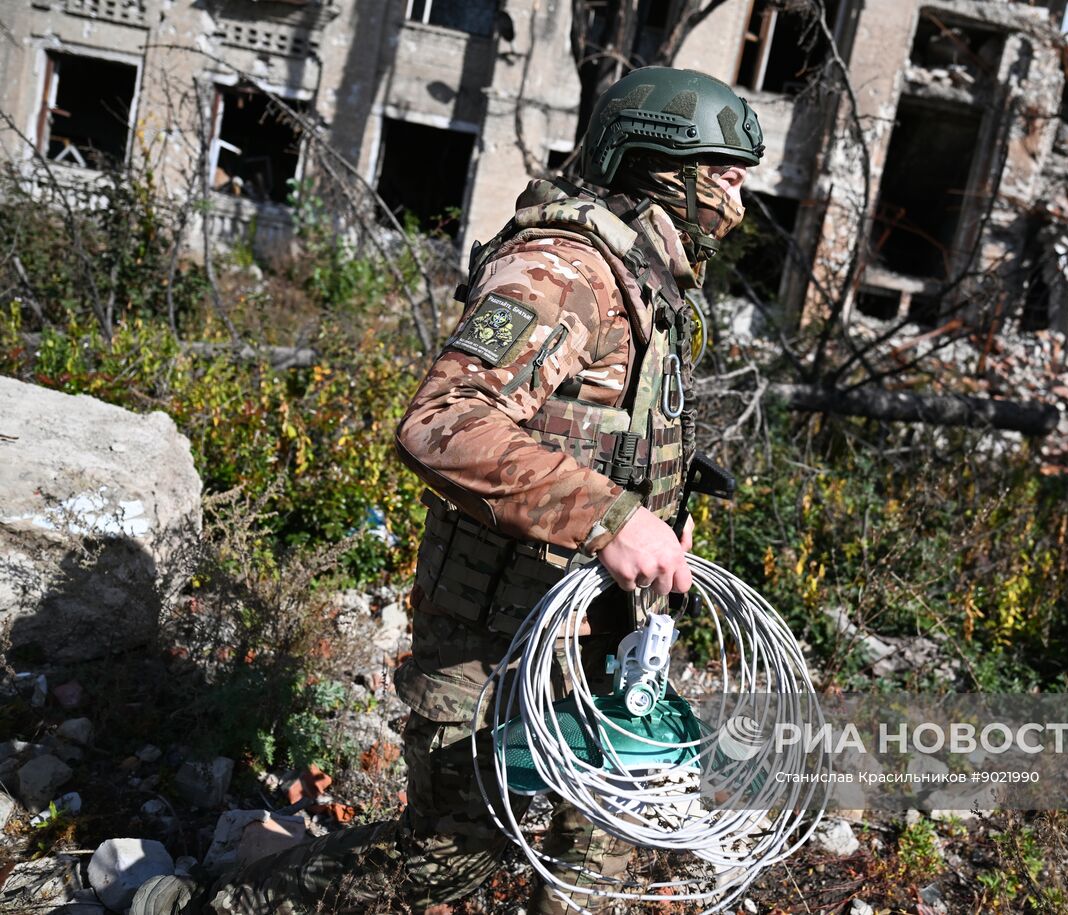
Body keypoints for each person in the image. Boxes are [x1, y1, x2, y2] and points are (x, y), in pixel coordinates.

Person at [134, 66, 763, 915]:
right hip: (493, 637)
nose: (738, 200)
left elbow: (610, 434)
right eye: (724, 177)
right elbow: (443, 421)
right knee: (447, 864)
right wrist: (612, 519)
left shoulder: (651, 278)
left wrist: (657, 517)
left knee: (600, 854)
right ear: (660, 165)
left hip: (605, 631)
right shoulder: (564, 268)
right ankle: (222, 901)